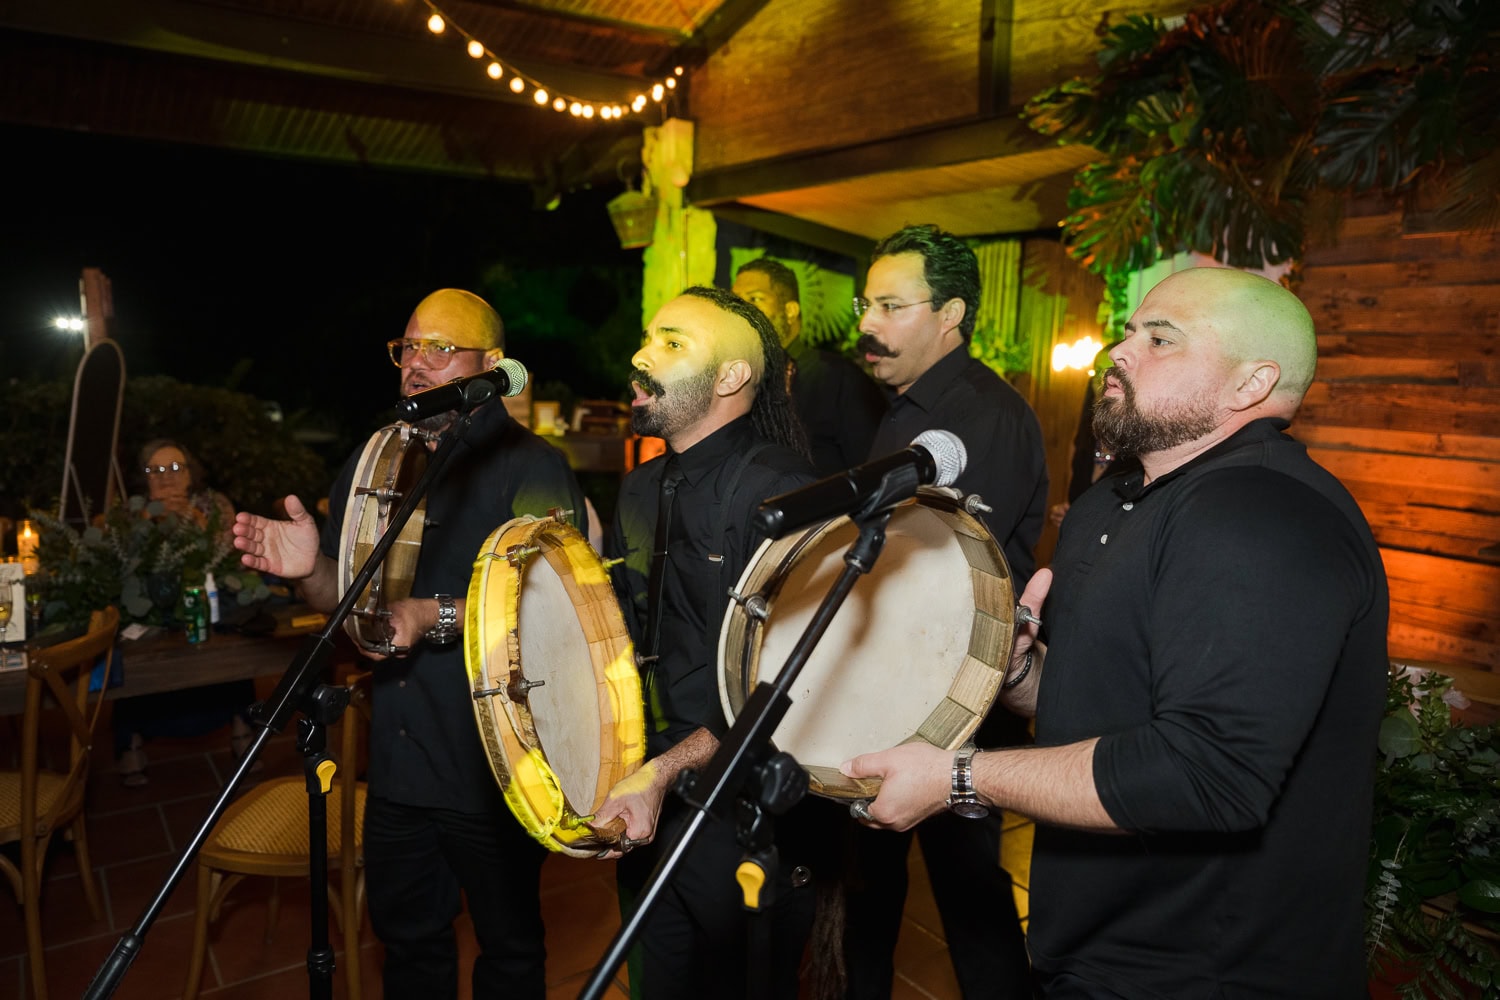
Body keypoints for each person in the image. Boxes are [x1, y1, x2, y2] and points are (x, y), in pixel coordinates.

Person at [843, 266, 1390, 997]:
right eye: (1130, 331)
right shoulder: (1112, 504)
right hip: (1096, 950)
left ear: (1250, 385)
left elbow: (1209, 774)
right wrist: (1022, 676)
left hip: (1214, 973)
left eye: (1161, 339)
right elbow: (1109, 712)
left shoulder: (1264, 518)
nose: (1120, 352)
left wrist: (958, 777)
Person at [232, 288, 586, 999]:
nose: (416, 365)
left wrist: (435, 616)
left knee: (510, 950)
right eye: (408, 348)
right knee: (408, 943)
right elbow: (348, 601)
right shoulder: (379, 463)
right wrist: (310, 572)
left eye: (438, 348)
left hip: (495, 766)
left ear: (491, 365)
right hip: (396, 766)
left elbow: (553, 614)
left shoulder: (531, 466)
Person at [596, 285, 819, 999]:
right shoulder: (636, 488)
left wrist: (665, 773)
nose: (640, 356)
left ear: (730, 379)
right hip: (648, 791)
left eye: (671, 343)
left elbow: (787, 683)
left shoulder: (779, 490)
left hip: (738, 808)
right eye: (646, 337)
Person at [841, 223, 1045, 999]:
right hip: (888, 688)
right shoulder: (899, 409)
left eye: (892, 305)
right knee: (870, 885)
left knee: (969, 896)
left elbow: (954, 579)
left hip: (959, 696)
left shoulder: (987, 416)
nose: (868, 323)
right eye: (867, 303)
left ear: (951, 313)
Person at [113, 438, 253, 787]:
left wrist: (196, 523)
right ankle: (129, 740)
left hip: (205, 604)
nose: (166, 478)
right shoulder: (131, 510)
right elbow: (120, 566)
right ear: (143, 480)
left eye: (175, 468)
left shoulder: (214, 504)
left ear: (191, 474)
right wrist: (148, 522)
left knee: (234, 625)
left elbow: (232, 556)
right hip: (151, 612)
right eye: (155, 471)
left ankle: (240, 725)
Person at [731, 257, 888, 476]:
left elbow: (873, 470)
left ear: (790, 310)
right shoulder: (738, 379)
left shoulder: (839, 378)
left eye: (755, 298)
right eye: (736, 301)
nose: (742, 310)